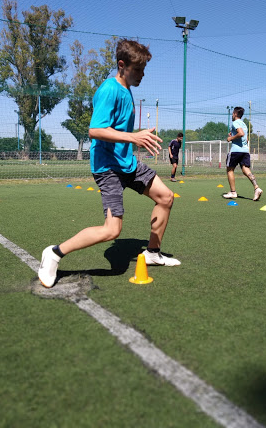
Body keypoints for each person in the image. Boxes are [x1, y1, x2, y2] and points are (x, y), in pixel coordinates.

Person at [38, 39, 180, 288]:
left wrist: (134, 139)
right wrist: (133, 137)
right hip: (107, 167)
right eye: (138, 70)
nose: (142, 75)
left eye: (144, 69)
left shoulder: (127, 90)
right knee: (112, 231)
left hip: (127, 162)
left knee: (166, 197)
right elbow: (95, 130)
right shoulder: (109, 89)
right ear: (122, 65)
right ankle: (54, 253)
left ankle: (153, 253)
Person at [223, 106, 263, 201]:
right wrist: (233, 135)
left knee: (230, 170)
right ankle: (256, 188)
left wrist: (230, 138)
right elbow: (246, 138)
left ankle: (233, 192)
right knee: (245, 169)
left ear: (235, 114)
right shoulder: (244, 124)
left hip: (236, 151)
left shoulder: (235, 122)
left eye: (233, 113)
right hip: (245, 151)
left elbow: (241, 134)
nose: (232, 115)